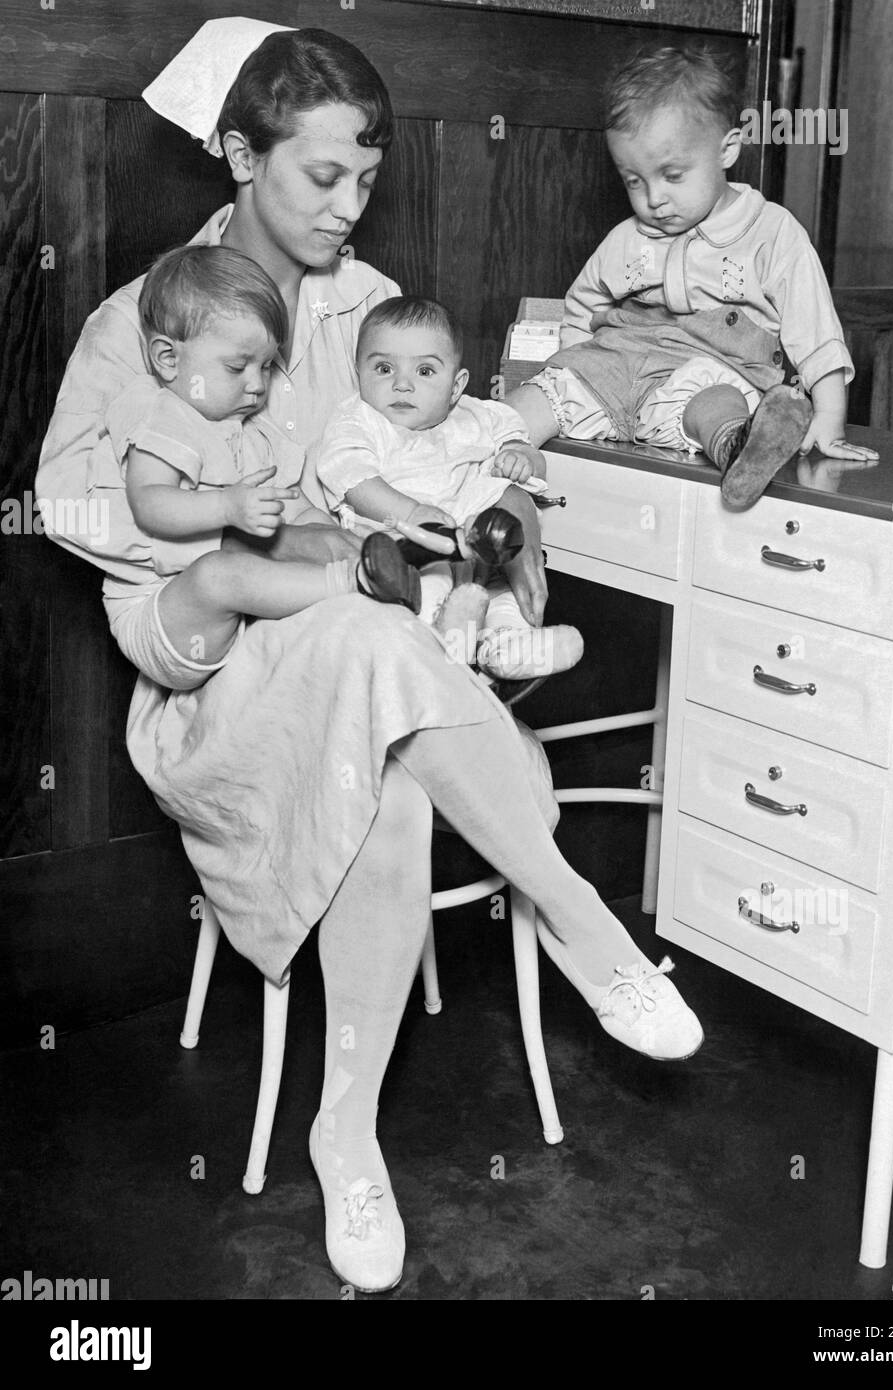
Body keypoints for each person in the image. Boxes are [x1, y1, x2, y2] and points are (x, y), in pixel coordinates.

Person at [35, 20, 703, 1295]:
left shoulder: (371, 311)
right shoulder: (148, 319)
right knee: (353, 636)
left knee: (384, 737)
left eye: (366, 177)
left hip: (383, 658)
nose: (351, 207)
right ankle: (581, 917)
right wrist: (242, 518)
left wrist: (501, 497)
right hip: (216, 674)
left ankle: (344, 1134)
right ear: (239, 155)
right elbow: (65, 510)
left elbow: (460, 470)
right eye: (320, 178)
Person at [508, 45, 879, 508]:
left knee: (717, 401)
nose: (653, 199)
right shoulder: (626, 238)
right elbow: (584, 304)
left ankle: (739, 447)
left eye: (672, 175)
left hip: (713, 369)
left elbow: (815, 331)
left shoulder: (771, 232)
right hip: (617, 365)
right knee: (531, 398)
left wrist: (829, 417)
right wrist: (573, 367)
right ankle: (495, 447)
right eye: (634, 181)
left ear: (727, 148)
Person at [104, 243, 431, 690]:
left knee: (313, 551)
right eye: (237, 367)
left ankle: (388, 589)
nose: (257, 386)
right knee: (220, 573)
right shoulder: (164, 416)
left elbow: (290, 505)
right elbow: (149, 504)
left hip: (232, 616)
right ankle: (351, 584)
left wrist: (335, 534)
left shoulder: (250, 432)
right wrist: (227, 508)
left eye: (266, 367)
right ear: (168, 358)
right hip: (164, 614)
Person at [315, 294, 584, 684]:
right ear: (359, 372)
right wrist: (410, 513)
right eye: (384, 368)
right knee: (431, 585)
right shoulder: (359, 421)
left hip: (480, 554)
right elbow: (351, 477)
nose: (402, 385)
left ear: (456, 385)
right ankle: (443, 638)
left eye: (425, 371)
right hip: (409, 554)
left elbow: (522, 443)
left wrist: (520, 457)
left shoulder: (479, 416)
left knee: (502, 592)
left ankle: (508, 645)